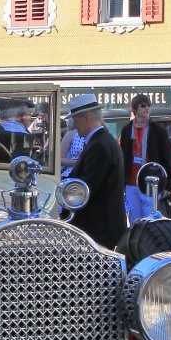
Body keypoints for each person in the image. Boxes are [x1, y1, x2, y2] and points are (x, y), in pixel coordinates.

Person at [67, 92, 126, 250]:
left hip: (97, 230)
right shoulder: (104, 141)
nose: (74, 125)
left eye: (76, 120)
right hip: (103, 227)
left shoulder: (99, 145)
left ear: (86, 118)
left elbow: (85, 190)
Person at [119, 94, 171, 223]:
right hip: (131, 182)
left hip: (151, 182)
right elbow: (123, 156)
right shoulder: (126, 130)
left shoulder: (158, 130)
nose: (147, 108)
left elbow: (166, 157)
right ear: (135, 109)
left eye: (149, 105)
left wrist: (168, 185)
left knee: (150, 220)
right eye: (143, 106)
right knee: (135, 221)